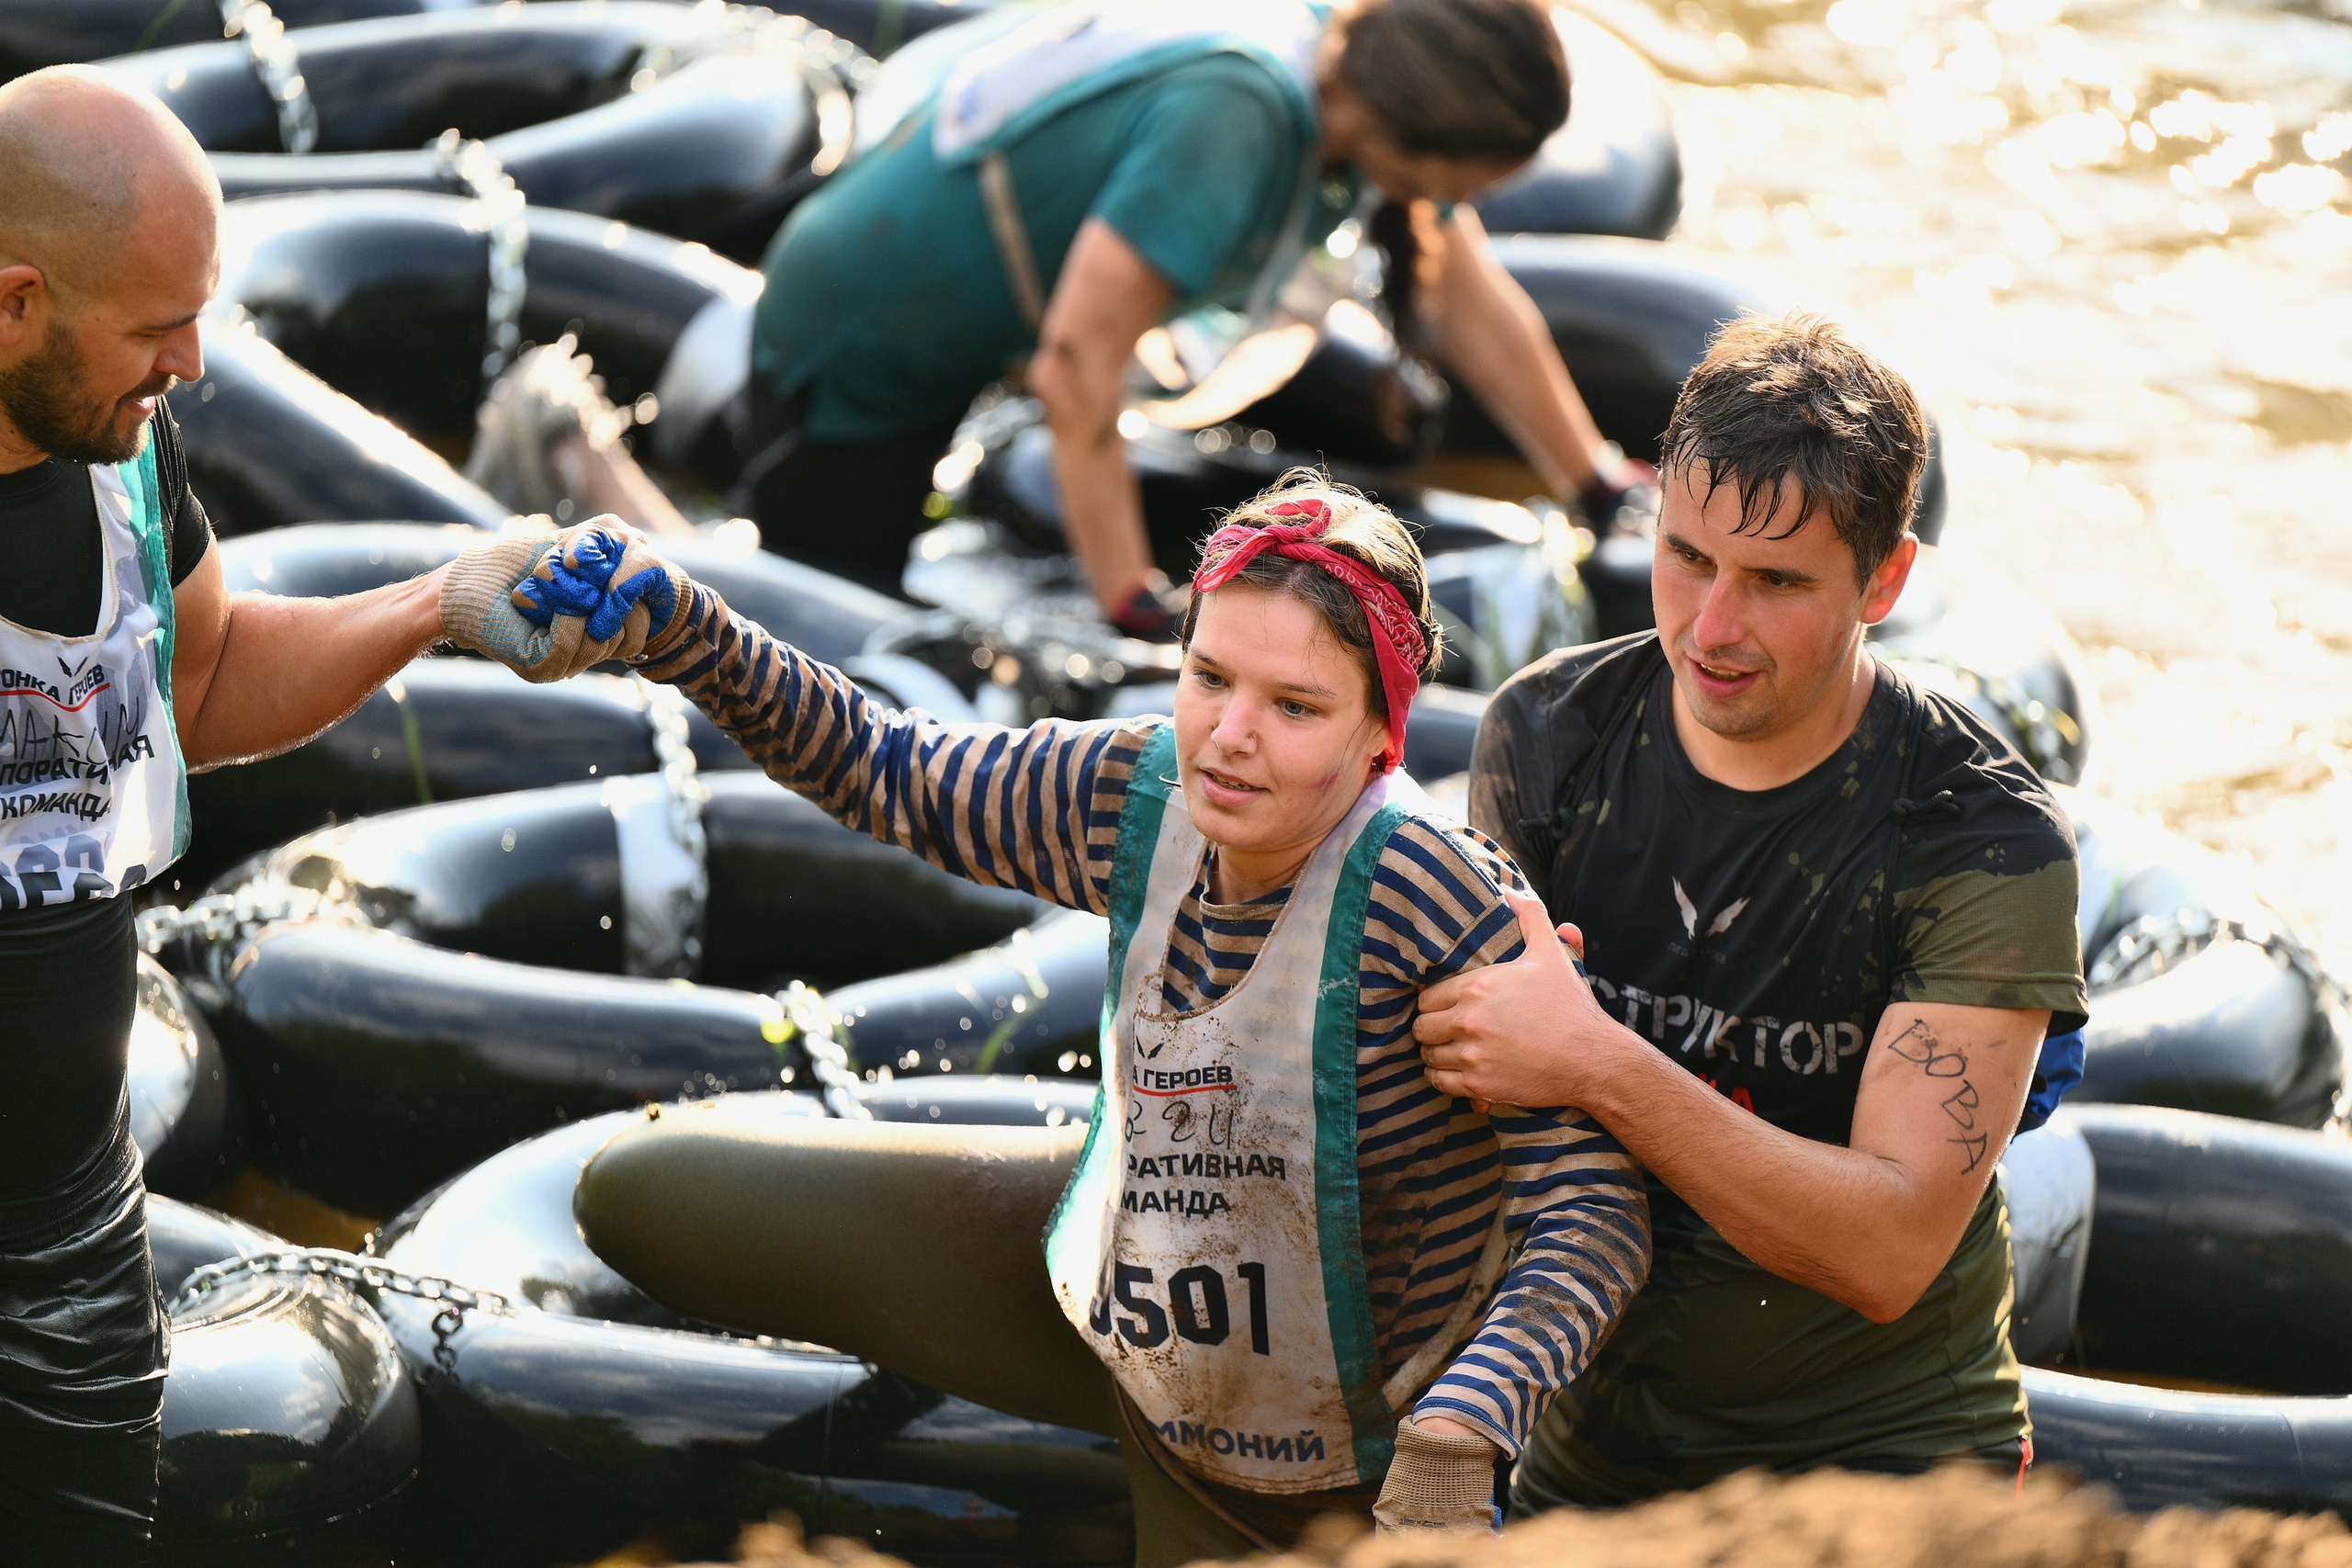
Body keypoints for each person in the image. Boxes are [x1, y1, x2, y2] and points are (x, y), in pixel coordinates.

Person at [527, 478, 1649, 1563]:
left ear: (1379, 740)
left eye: (1294, 706)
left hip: (1337, 1465)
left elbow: (1594, 1209)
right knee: (642, 1190)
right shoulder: (1133, 793)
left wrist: (1470, 1418)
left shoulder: (1439, 899)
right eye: (1209, 677)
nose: (1230, 736)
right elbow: (889, 770)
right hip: (1132, 1298)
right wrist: (681, 627)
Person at [0, 67, 615, 1555]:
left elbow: (199, 683)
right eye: (156, 329)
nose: (194, 364)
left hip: (65, 1227)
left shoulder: (121, 455)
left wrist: (441, 603)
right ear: (15, 302)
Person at [1410, 312, 2090, 1508]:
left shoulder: (1981, 838)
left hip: (1879, 1463)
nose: (1711, 626)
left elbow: (1884, 1249)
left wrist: (1595, 1057)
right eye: (1686, 556)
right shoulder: (1549, 735)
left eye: (1776, 580)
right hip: (1584, 1436)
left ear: (1886, 579)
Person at [728, 0, 1652, 627]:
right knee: (839, 625)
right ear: (1413, 132)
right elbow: (1075, 368)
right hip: (860, 340)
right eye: (1466, 183)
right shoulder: (1238, 116)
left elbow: (1471, 300)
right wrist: (1134, 609)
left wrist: (1599, 484)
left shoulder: (1355, 63)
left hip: (958, 316)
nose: (1464, 200)